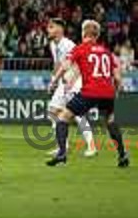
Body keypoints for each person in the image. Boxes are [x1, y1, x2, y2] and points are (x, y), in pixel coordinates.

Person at [47, 20, 129, 168]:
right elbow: (117, 77)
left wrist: (54, 81)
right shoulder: (106, 51)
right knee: (110, 121)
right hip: (107, 92)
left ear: (84, 33)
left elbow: (65, 65)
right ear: (97, 35)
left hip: (90, 91)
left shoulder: (80, 48)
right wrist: (116, 90)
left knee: (63, 117)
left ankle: (62, 154)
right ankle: (122, 155)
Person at [46, 18, 96, 157]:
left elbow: (78, 64)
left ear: (60, 29)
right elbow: (58, 64)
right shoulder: (52, 44)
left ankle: (92, 146)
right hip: (64, 82)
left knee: (77, 114)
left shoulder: (69, 44)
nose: (47, 30)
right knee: (52, 111)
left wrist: (71, 83)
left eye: (51, 27)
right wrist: (54, 80)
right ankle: (63, 146)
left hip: (75, 80)